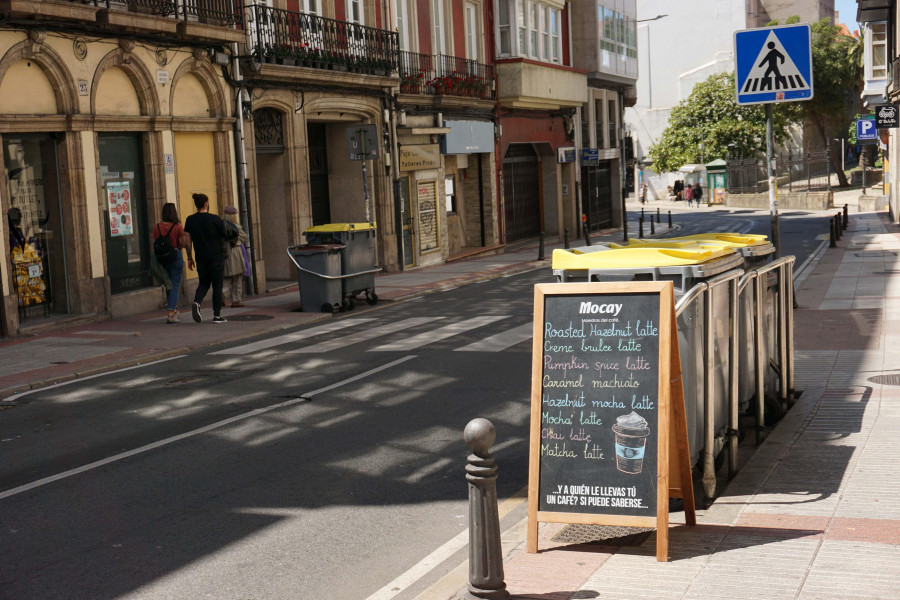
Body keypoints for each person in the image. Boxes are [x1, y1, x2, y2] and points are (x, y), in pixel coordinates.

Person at [183, 192, 228, 324]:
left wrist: (190, 258)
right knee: (217, 285)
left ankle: (197, 302)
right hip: (216, 257)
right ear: (206, 204)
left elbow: (187, 241)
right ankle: (217, 316)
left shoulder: (190, 220)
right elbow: (225, 236)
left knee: (203, 283)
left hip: (200, 258)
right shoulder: (215, 219)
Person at [152, 203, 187, 324]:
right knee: (175, 284)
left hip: (162, 259)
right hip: (175, 257)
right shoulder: (178, 226)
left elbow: (155, 241)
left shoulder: (157, 226)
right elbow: (182, 243)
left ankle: (173, 308)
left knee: (168, 284)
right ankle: (171, 313)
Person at [223, 205, 249, 308]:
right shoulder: (236, 226)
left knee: (226, 278)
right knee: (237, 278)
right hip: (236, 252)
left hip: (225, 253)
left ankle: (222, 293)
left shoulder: (221, 225)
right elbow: (244, 237)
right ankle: (236, 300)